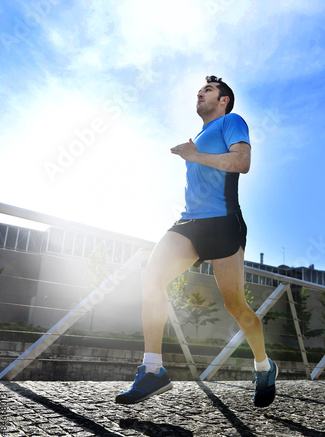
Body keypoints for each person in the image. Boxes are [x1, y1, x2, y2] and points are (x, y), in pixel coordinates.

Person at [116, 75, 278, 408]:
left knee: (235, 305)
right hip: (189, 222)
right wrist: (193, 152)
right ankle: (152, 369)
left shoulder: (231, 122)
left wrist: (193, 155)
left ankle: (263, 365)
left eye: (208, 90)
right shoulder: (201, 135)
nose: (200, 94)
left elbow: (242, 163)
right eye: (198, 91)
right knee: (151, 278)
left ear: (223, 100)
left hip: (223, 223)